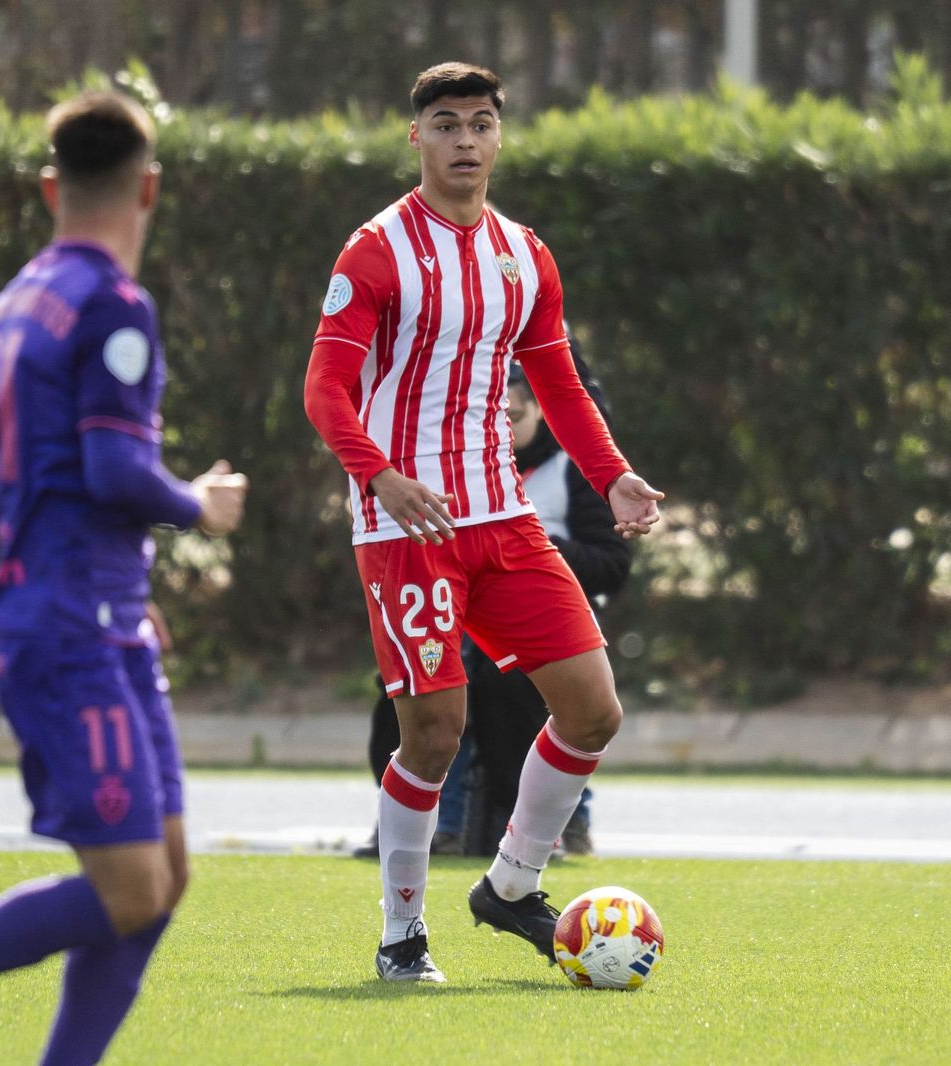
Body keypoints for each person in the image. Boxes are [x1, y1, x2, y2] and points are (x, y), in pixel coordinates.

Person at [0, 91, 248, 1065]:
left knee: (164, 878)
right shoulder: (114, 304)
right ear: (148, 188)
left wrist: (84, 562)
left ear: (47, 187)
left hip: (89, 614)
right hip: (73, 630)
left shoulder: (8, 308)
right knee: (132, 887)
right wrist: (198, 504)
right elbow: (114, 470)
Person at [303, 62, 663, 983]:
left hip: (503, 516)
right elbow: (325, 390)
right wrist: (381, 478)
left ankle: (510, 887)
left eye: (481, 123)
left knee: (594, 711)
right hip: (407, 528)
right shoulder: (374, 251)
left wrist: (613, 477)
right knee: (433, 735)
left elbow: (559, 384)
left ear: (499, 136)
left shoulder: (523, 255)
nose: (465, 140)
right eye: (446, 123)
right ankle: (401, 937)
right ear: (416, 137)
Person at [353, 343, 630, 860]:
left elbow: (611, 562)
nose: (502, 426)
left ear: (539, 410)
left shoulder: (568, 469)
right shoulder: (447, 465)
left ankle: (543, 831)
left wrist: (541, 550)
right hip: (455, 603)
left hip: (531, 602)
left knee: (543, 692)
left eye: (514, 415)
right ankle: (436, 822)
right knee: (421, 693)